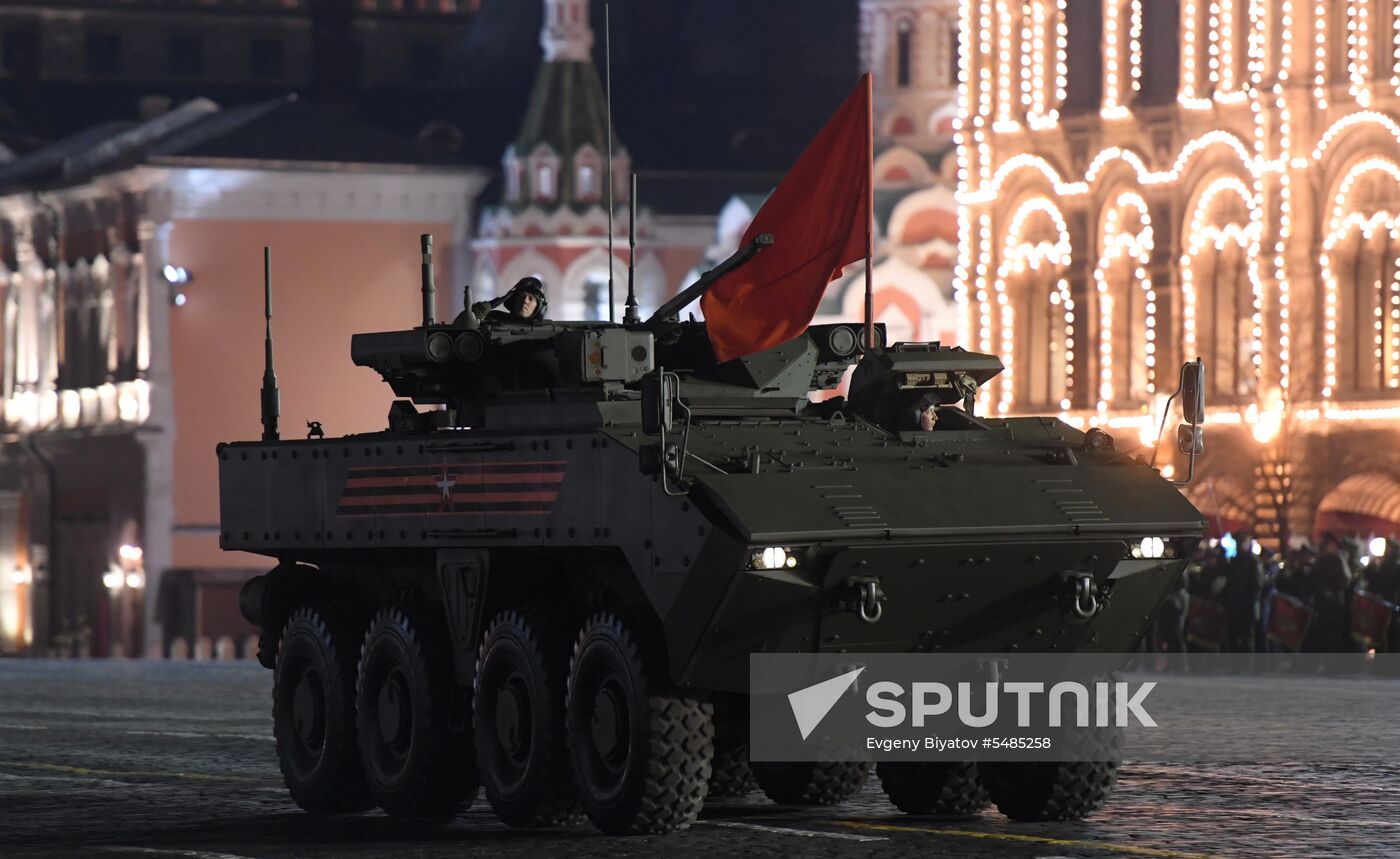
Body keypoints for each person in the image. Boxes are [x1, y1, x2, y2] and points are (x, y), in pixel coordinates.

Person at [470, 276, 549, 324]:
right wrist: (490, 304)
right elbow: (468, 323)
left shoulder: (545, 332)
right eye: (521, 296)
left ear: (539, 308)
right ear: (513, 299)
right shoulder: (494, 318)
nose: (525, 301)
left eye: (531, 299)